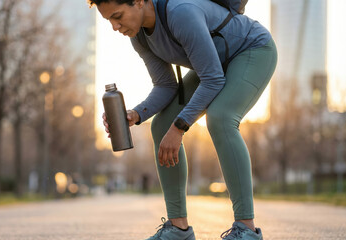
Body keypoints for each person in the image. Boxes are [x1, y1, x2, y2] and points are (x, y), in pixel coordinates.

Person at [89, 0, 277, 239]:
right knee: (160, 124)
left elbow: (213, 80)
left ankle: (246, 229)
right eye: (110, 21)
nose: (115, 27)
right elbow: (165, 86)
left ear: (138, 2)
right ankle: (178, 228)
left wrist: (179, 128)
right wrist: (135, 115)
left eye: (118, 16)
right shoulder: (139, 37)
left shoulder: (180, 13)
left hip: (252, 50)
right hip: (216, 65)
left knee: (221, 118)